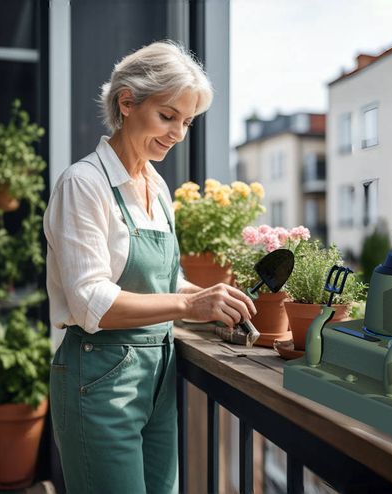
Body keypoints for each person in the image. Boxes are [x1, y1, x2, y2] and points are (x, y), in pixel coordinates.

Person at [44, 40, 256, 494]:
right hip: (98, 382)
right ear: (127, 102)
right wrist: (188, 304)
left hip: (158, 380)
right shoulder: (84, 184)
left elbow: (166, 280)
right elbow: (91, 303)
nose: (178, 133)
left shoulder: (157, 187)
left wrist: (213, 303)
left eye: (187, 121)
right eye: (167, 116)